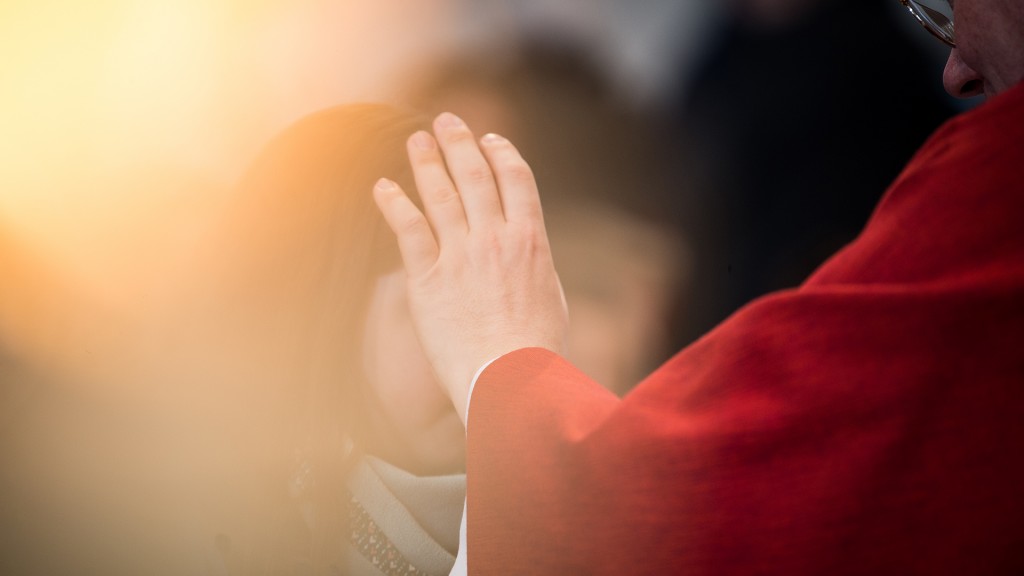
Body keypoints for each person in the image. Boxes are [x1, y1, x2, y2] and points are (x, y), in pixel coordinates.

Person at [372, 1, 1024, 573]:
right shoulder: (714, 70)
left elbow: (653, 519)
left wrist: (503, 365)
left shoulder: (875, 93)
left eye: (598, 292)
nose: (956, 69)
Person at [171, 104, 466, 575]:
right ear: (316, 312)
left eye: (493, 302)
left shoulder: (578, 512)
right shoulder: (182, 538)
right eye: (434, 307)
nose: (477, 349)